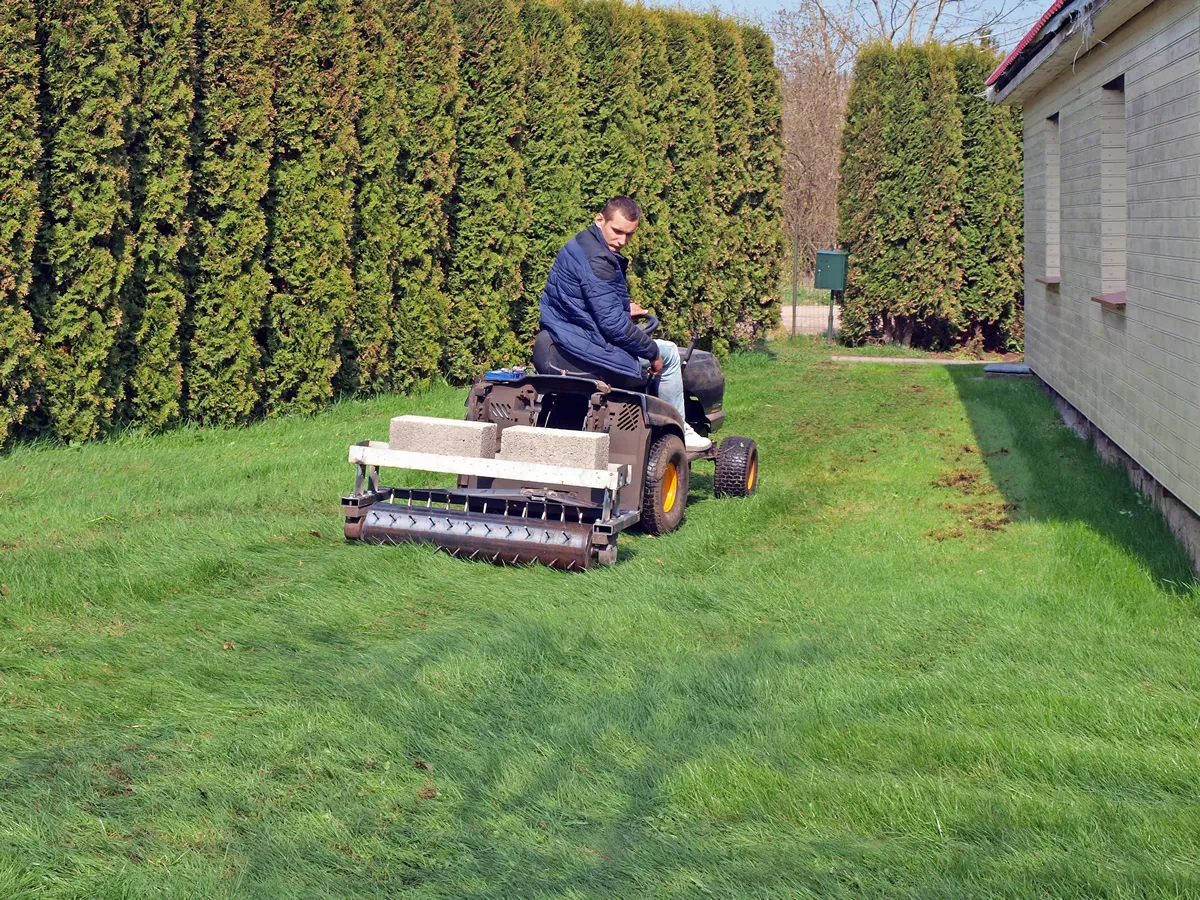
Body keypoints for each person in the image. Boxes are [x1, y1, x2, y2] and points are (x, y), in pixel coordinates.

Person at [537, 196, 712, 451]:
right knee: (670, 353)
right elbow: (614, 328)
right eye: (617, 231)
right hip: (584, 347)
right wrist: (652, 353)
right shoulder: (600, 259)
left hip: (564, 336)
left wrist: (621, 309)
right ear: (600, 219)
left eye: (629, 235)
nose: (622, 241)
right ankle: (681, 429)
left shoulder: (580, 244)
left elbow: (582, 299)